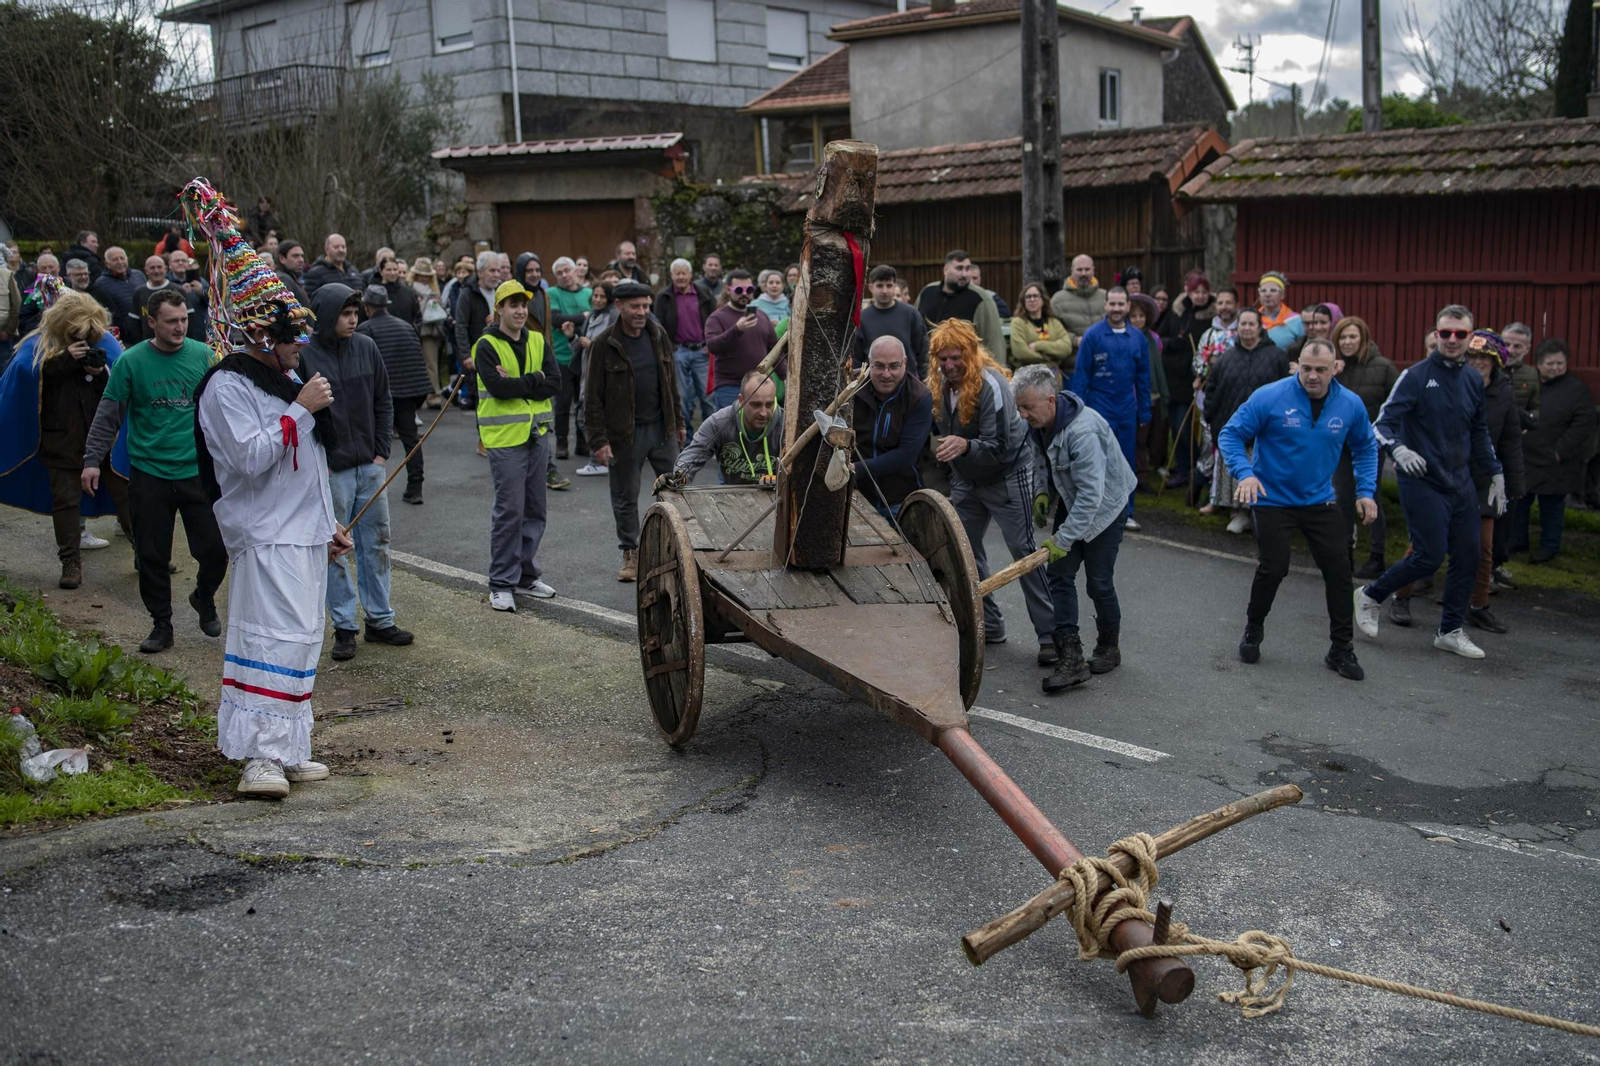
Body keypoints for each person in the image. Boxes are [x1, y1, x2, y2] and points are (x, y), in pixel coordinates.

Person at [194, 290, 348, 800]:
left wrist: (329, 526)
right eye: (293, 335)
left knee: (302, 638)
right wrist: (302, 409)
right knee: (268, 637)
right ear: (263, 334)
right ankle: (259, 757)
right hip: (264, 535)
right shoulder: (226, 386)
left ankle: (287, 747)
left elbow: (310, 469)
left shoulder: (286, 379)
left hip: (301, 534)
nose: (302, 345)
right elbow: (248, 458)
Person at [1219, 339, 1378, 681]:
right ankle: (1253, 628)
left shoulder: (1350, 404)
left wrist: (1366, 492)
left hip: (1319, 500)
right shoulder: (1270, 396)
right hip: (1272, 498)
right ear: (1298, 365)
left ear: (1335, 368)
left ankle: (1340, 649)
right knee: (1275, 567)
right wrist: (1245, 474)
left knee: (1339, 572)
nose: (1312, 376)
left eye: (1321, 369)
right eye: (1306, 368)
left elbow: (1366, 446)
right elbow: (1230, 434)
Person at [81, 289, 228, 653]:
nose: (180, 327)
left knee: (216, 550)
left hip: (197, 471)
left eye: (184, 320)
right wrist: (90, 460)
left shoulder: (205, 356)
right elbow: (108, 416)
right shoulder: (131, 362)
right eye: (171, 321)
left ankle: (203, 596)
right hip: (150, 472)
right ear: (151, 322)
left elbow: (227, 409)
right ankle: (162, 624)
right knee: (151, 555)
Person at [1356, 305, 1504, 660]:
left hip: (1461, 482)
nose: (1452, 340)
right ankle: (1371, 595)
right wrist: (1400, 449)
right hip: (1421, 480)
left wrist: (1496, 472)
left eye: (1460, 334)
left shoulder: (1472, 379)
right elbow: (1382, 424)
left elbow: (1479, 430)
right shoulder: (1416, 375)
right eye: (1445, 333)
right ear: (1436, 334)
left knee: (1469, 556)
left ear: (1471, 338)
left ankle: (1449, 631)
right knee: (1429, 555)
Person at [929, 319, 1057, 665]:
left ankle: (1051, 635)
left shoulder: (991, 385)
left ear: (970, 354)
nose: (949, 366)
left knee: (1024, 553)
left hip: (1006, 476)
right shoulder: (939, 382)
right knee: (966, 554)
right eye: (943, 359)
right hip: (966, 478)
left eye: (955, 358)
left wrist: (964, 445)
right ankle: (991, 624)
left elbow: (1000, 446)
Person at [298, 282, 414, 660]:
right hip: (331, 469)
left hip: (369, 465)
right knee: (334, 549)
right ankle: (344, 624)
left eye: (355, 313)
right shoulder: (305, 356)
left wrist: (381, 452)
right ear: (327, 316)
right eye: (345, 314)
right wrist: (322, 461)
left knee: (376, 541)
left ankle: (379, 619)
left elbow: (384, 399)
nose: (352, 320)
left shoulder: (366, 346)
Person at [1012, 363, 1137, 692]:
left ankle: (1109, 648)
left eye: (1028, 407)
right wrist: (1042, 492)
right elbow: (1040, 459)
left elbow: (1091, 499)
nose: (1023, 415)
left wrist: (1062, 539)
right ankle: (1071, 659)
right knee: (1059, 576)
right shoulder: (1038, 424)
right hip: (1075, 499)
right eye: (1019, 408)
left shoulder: (1083, 432)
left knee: (1098, 582)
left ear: (1050, 401)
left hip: (1105, 508)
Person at [1389, 331, 1525, 634]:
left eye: (1485, 358)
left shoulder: (1504, 392)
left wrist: (1512, 482)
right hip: (1440, 474)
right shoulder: (1445, 381)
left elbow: (1510, 439)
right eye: (1473, 357)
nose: (1478, 363)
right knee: (1424, 545)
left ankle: (1477, 606)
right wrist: (1402, 452)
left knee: (1481, 548)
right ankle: (1400, 595)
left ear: (1496, 362)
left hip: (1482, 479)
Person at [0, 292, 132, 590]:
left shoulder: (105, 343)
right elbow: (27, 377)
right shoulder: (39, 347)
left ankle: (146, 553)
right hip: (61, 440)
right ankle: (70, 562)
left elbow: (121, 381)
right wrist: (64, 362)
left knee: (126, 495)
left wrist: (98, 372)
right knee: (66, 500)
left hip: (104, 440)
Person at [585, 280, 684, 581]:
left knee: (676, 489)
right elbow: (592, 397)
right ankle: (631, 552)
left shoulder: (658, 335)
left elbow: (671, 384)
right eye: (635, 307)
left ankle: (675, 548)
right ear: (619, 306)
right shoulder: (604, 344)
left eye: (645, 306)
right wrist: (598, 441)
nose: (642, 312)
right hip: (624, 435)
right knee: (625, 495)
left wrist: (679, 422)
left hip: (661, 429)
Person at [473, 280, 560, 610]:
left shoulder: (537, 340)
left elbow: (555, 382)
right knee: (510, 511)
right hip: (505, 440)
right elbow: (498, 389)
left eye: (523, 304)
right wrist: (534, 379)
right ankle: (501, 582)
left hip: (537, 436)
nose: (520, 310)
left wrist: (521, 382)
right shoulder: (486, 345)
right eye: (512, 305)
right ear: (499, 310)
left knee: (535, 509)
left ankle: (525, 576)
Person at [1198, 308, 1289, 533]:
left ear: (1260, 328)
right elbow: (1212, 389)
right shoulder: (1227, 357)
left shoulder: (1276, 356)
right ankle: (1238, 513)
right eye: (1243, 324)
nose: (1247, 328)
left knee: (1262, 472)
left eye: (1251, 324)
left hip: (1266, 431)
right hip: (1232, 427)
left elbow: (1287, 391)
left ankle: (1262, 516)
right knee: (1235, 472)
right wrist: (1210, 415)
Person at [1067, 287, 1150, 530]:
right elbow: (1081, 376)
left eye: (1120, 304)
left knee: (1125, 460)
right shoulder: (1093, 336)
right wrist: (1077, 412)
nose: (1116, 309)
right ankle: (1095, 512)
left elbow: (1144, 378)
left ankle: (1127, 512)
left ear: (1127, 307)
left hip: (1126, 407)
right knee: (1096, 461)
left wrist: (1144, 410)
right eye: (1112, 304)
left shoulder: (1138, 339)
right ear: (1105, 305)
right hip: (1097, 406)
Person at [1512, 338, 1595, 563]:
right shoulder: (1529, 383)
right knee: (1519, 503)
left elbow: (1582, 424)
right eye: (1550, 363)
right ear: (1539, 364)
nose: (1556, 367)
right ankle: (1517, 541)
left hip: (1555, 459)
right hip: (1525, 457)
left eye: (1560, 363)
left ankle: (1549, 547)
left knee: (1552, 507)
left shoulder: (1577, 389)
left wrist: (1560, 451)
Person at [1331, 315, 1399, 578]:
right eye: (1343, 338)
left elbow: (1397, 405)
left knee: (1371, 496)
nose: (1347, 342)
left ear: (1364, 339)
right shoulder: (1334, 368)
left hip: (1371, 444)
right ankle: (1344, 555)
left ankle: (1377, 557)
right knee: (1342, 498)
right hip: (1340, 444)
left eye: (1352, 337)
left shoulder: (1383, 367)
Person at [357, 284, 431, 505]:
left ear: (367, 307)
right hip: (407, 393)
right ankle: (415, 487)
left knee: (372, 443)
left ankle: (370, 492)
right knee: (411, 440)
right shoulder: (407, 326)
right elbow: (419, 364)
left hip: (378, 397)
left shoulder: (364, 330)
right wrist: (418, 398)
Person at [853, 336, 933, 519]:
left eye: (893, 366)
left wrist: (853, 469)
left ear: (904, 363)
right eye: (879, 366)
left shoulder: (919, 397)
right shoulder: (851, 386)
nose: (886, 374)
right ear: (869, 363)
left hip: (899, 499)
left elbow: (905, 455)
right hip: (855, 496)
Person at [664, 370, 783, 486]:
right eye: (756, 405)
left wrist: (780, 478)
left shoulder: (786, 425)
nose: (763, 413)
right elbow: (692, 455)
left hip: (777, 498)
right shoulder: (718, 423)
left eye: (769, 405)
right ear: (741, 400)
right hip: (732, 497)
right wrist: (680, 476)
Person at [705, 269, 780, 411]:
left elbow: (774, 350)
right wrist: (736, 329)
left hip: (760, 386)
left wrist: (785, 377)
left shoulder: (761, 315)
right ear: (728, 290)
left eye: (749, 289)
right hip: (730, 387)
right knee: (730, 431)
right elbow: (712, 346)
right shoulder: (717, 318)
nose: (744, 293)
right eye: (739, 290)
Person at [655, 258, 716, 430]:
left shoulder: (703, 292)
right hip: (678, 351)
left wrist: (710, 343)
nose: (681, 277)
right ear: (671, 275)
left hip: (702, 350)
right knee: (681, 398)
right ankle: (686, 439)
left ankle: (711, 436)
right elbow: (658, 326)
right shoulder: (664, 296)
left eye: (684, 273)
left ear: (690, 275)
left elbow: (713, 319)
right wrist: (668, 349)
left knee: (707, 396)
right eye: (677, 273)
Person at [917, 250, 1004, 360]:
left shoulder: (981, 298)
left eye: (967, 269)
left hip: (965, 369)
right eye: (959, 268)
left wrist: (997, 372)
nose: (964, 274)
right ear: (945, 270)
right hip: (927, 367)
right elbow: (915, 330)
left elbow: (993, 342)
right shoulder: (927, 292)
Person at [546, 256, 592, 459]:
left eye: (567, 270)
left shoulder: (589, 293)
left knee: (584, 402)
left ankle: (582, 442)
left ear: (575, 271)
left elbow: (595, 320)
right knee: (563, 403)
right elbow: (555, 319)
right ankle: (562, 442)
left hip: (584, 357)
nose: (564, 275)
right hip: (562, 357)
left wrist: (574, 322)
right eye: (559, 272)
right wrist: (582, 316)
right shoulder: (552, 293)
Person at [853, 265, 929, 379]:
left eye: (889, 286)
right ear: (871, 287)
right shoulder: (862, 318)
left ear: (895, 286)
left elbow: (923, 351)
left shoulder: (911, 314)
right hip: (872, 385)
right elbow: (856, 358)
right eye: (880, 286)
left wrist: (925, 380)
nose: (885, 291)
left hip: (907, 384)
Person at [574, 281, 617, 477]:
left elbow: (614, 347)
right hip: (586, 372)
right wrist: (571, 338)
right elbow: (582, 345)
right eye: (595, 296)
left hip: (601, 377)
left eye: (602, 296)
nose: (598, 300)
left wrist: (592, 345)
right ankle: (604, 458)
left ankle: (599, 460)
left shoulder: (613, 317)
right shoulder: (591, 316)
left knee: (587, 417)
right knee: (584, 417)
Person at [1125, 293, 1168, 485]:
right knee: (1137, 439)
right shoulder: (1126, 338)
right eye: (1133, 316)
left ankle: (1150, 468)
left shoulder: (1154, 339)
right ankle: (1138, 476)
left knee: (1154, 434)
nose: (1138, 320)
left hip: (1154, 392)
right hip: (1133, 395)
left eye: (1141, 316)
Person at [453, 251, 503, 410]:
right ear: (480, 272)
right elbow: (460, 326)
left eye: (498, 270)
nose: (496, 274)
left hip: (501, 351)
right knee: (482, 402)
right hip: (477, 353)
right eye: (492, 270)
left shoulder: (502, 290)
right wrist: (466, 355)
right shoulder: (467, 293)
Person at [1008, 281, 1074, 376]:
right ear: (1023, 301)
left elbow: (1066, 348)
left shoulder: (1054, 323)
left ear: (1043, 300)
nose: (1032, 299)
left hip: (1053, 375)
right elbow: (1021, 353)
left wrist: (1038, 345)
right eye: (1028, 297)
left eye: (1035, 296)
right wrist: (1052, 355)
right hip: (1026, 375)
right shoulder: (1018, 323)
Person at [411, 259, 447, 408]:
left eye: (427, 275)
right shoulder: (411, 288)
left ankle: (434, 396)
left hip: (431, 330)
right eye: (421, 275)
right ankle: (419, 396)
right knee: (416, 365)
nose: (425, 277)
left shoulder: (433, 288)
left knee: (432, 364)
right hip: (416, 329)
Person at [1050, 254, 1107, 338]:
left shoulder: (1105, 296)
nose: (1083, 273)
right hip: (1074, 350)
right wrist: (1074, 340)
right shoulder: (1057, 300)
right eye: (1079, 270)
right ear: (1072, 271)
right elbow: (1053, 330)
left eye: (1087, 269)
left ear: (1093, 270)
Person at [88, 247, 139, 339]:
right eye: (115, 259)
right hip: (123, 335)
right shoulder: (101, 284)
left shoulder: (139, 275)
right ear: (107, 264)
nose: (120, 262)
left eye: (122, 258)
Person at [1255, 271, 1303, 349]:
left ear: (1282, 295)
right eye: (1263, 291)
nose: (1267, 294)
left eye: (1273, 290)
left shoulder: (1297, 320)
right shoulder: (1253, 319)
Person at [1499, 322, 1540, 414]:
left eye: (1517, 346)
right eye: (1506, 344)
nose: (1510, 350)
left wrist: (1529, 424)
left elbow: (1535, 407)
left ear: (1527, 349)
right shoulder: (1487, 369)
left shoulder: (1532, 374)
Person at [274, 240, 310, 307]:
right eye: (295, 256)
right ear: (282, 259)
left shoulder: (290, 277)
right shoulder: (283, 279)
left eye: (302, 256)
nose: (301, 260)